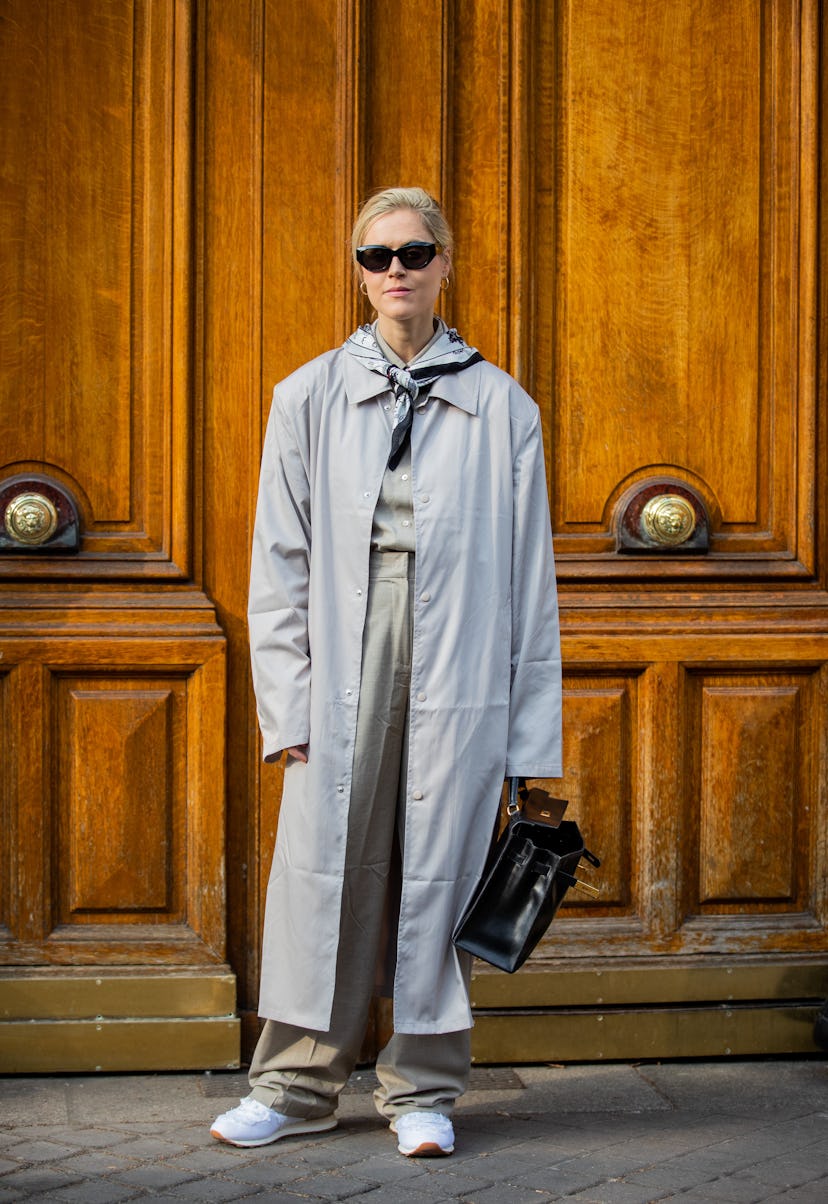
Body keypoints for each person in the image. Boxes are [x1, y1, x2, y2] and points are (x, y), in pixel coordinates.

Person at [210, 187, 562, 1158]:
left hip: (460, 662)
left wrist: (531, 741)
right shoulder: (307, 395)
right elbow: (276, 564)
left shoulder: (502, 406)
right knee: (325, 870)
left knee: (441, 870)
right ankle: (292, 1082)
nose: (395, 269)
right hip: (341, 656)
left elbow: (531, 579)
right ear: (359, 271)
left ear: (446, 262)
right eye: (376, 256)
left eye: (414, 250)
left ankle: (424, 1088)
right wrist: (284, 706)